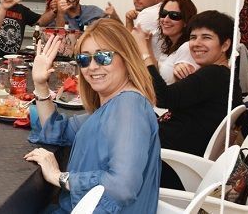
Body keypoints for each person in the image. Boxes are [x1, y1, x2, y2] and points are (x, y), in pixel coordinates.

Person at [25, 19, 160, 213]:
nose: (92, 66)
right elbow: (57, 131)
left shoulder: (128, 106)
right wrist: (40, 84)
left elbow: (122, 187)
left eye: (103, 57)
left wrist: (58, 176)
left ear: (126, 57)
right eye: (84, 59)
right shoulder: (114, 105)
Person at [133, 10, 243, 188]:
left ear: (225, 45)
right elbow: (180, 99)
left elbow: (162, 97)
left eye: (206, 37)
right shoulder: (221, 75)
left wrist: (143, 51)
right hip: (173, 154)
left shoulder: (214, 74)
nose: (196, 43)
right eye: (193, 37)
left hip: (170, 164)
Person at [141, 0, 199, 84]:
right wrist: (147, 44)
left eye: (174, 15)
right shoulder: (171, 45)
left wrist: (143, 49)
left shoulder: (186, 48)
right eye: (163, 14)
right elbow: (157, 74)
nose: (165, 19)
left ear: (186, 21)